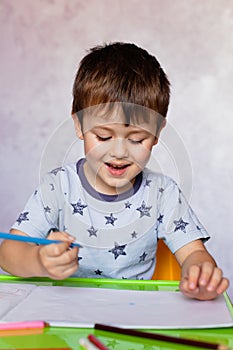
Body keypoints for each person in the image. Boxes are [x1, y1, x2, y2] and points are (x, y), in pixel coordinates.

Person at [0, 42, 229, 300]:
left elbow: (193, 253)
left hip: (135, 318)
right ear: (79, 124)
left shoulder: (163, 193)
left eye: (136, 139)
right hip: (66, 317)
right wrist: (39, 261)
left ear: (157, 133)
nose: (119, 152)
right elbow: (9, 253)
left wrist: (200, 273)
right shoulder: (57, 187)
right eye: (103, 136)